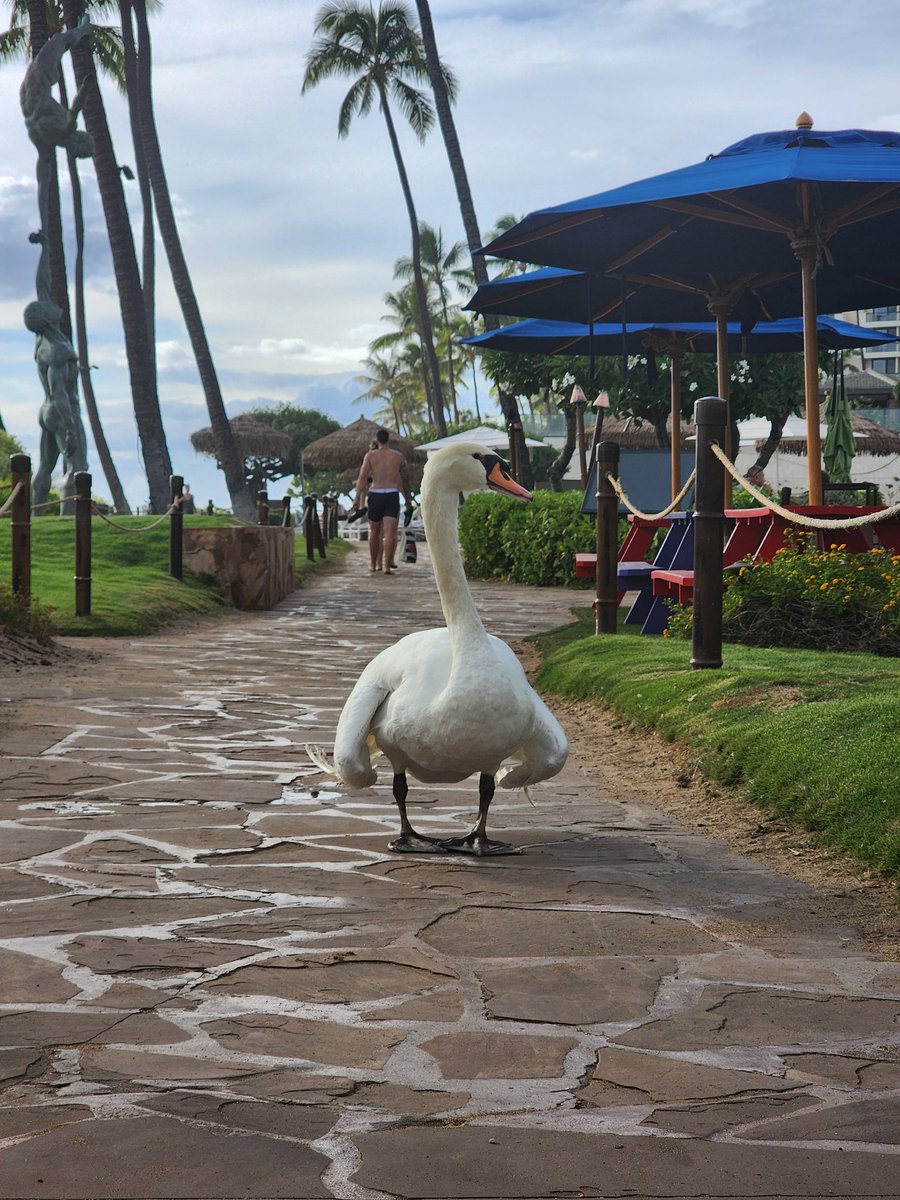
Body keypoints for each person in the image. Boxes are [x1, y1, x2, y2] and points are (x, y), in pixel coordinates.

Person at [24, 299, 88, 509]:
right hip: (62, 410)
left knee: (45, 466)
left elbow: (43, 283)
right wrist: (70, 430)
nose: (56, 308)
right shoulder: (57, 349)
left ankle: (36, 514)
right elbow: (59, 392)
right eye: (48, 308)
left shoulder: (41, 341)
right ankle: (71, 515)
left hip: (46, 411)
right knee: (77, 466)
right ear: (45, 318)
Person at [352, 428, 412, 575]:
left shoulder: (370, 456)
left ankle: (373, 564)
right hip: (392, 494)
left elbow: (362, 478)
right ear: (389, 440)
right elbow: (405, 481)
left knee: (374, 531)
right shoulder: (398, 457)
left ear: (377, 440)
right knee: (390, 532)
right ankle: (386, 566)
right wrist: (408, 500)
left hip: (376, 494)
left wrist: (356, 498)